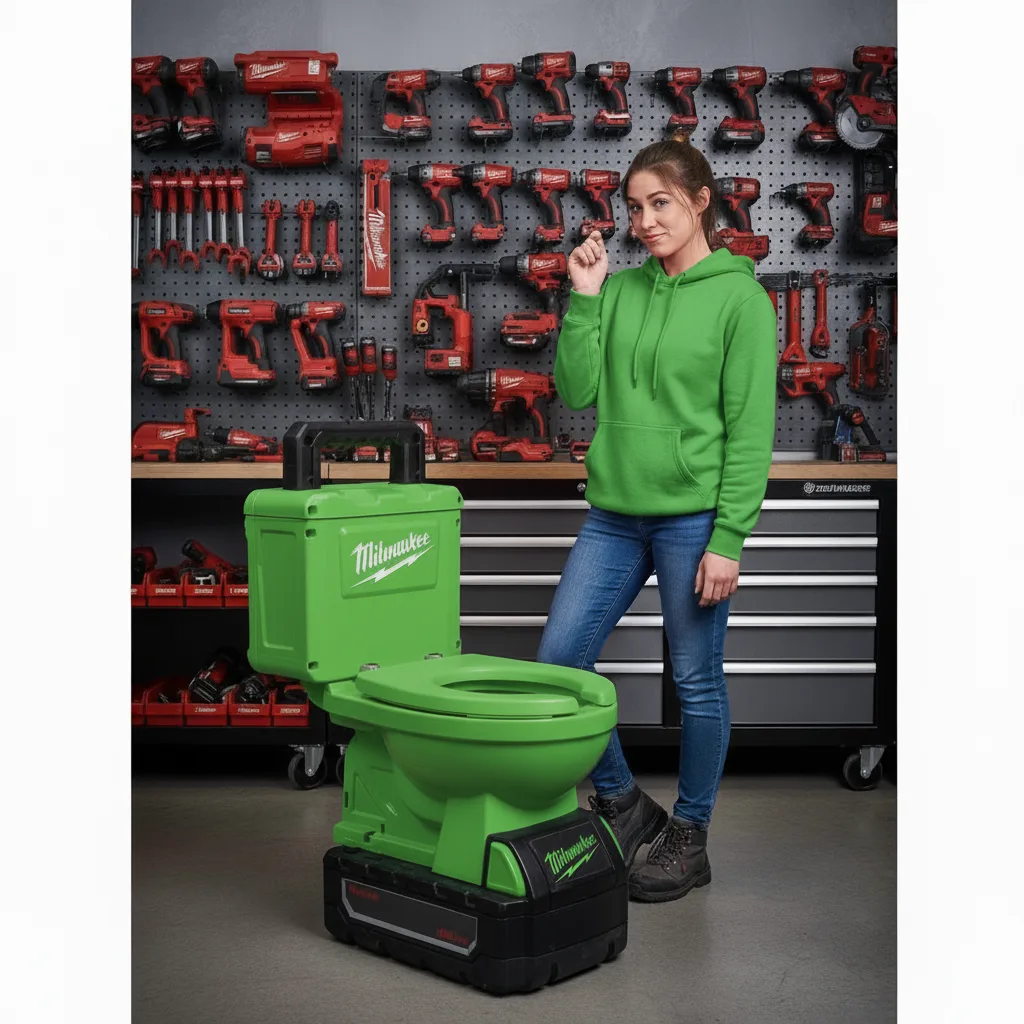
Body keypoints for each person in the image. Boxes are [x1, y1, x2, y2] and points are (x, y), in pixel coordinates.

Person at [536, 130, 777, 903]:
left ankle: (690, 836)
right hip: (614, 513)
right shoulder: (622, 290)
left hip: (692, 519)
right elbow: (576, 391)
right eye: (635, 208)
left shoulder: (741, 300)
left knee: (696, 679)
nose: (644, 222)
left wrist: (728, 539)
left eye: (661, 203)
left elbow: (750, 433)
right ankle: (622, 800)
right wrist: (584, 298)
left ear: (702, 202)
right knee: (560, 661)